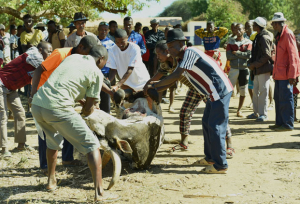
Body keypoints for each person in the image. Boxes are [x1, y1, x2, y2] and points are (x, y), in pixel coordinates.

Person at [31, 45, 119, 202]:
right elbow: (88, 110)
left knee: (52, 142)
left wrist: (81, 101)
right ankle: (99, 193)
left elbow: (64, 82)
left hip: (38, 104)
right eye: (105, 62)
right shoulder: (96, 73)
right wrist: (87, 108)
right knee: (92, 145)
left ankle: (51, 181)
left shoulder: (71, 58)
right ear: (101, 59)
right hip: (57, 107)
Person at [147, 28, 233, 173]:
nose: (171, 50)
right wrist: (155, 87)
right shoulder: (180, 58)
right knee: (207, 123)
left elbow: (177, 75)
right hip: (211, 93)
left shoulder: (190, 52)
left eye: (173, 46)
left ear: (182, 43)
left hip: (219, 90)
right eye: (169, 47)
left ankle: (220, 165)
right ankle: (210, 158)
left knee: (216, 126)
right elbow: (172, 78)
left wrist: (155, 85)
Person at [30, 36, 110, 173]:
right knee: (49, 135)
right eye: (90, 52)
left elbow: (68, 82)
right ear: (81, 48)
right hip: (45, 94)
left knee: (65, 129)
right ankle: (45, 166)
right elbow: (39, 71)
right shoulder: (61, 54)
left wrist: (80, 100)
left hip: (56, 98)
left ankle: (65, 161)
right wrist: (32, 94)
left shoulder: (76, 59)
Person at [0, 42, 52, 158]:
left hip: (11, 88)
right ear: (40, 50)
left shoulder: (38, 60)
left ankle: (21, 144)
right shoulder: (34, 55)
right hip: (1, 84)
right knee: (3, 116)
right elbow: (46, 70)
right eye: (48, 51)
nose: (50, 53)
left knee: (20, 113)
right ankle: (4, 148)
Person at [269, 12, 300, 131]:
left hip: (286, 75)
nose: (273, 25)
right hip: (279, 74)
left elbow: (294, 56)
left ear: (280, 23)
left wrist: (293, 75)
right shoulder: (279, 35)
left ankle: (287, 124)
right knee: (278, 98)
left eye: (274, 23)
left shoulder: (287, 34)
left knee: (286, 99)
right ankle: (280, 122)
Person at [247, 17, 273, 122]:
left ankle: (263, 114)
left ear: (257, 26)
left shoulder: (264, 37)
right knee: (256, 91)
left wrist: (255, 65)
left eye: (254, 24)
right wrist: (251, 63)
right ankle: (256, 112)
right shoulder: (258, 36)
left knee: (263, 92)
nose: (252, 26)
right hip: (257, 69)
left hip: (263, 69)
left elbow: (267, 55)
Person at [226, 23, 252, 117]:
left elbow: (248, 55)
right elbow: (228, 56)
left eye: (240, 29)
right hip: (233, 69)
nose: (238, 31)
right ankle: (225, 109)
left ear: (244, 30)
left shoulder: (248, 42)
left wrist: (236, 53)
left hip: (244, 69)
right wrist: (241, 54)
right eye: (236, 29)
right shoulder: (231, 42)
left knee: (243, 91)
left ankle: (239, 110)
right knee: (228, 90)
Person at [97, 21, 115, 113]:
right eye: (101, 29)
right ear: (98, 29)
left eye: (105, 30)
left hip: (106, 74)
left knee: (105, 99)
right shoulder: (94, 41)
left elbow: (113, 62)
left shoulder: (111, 44)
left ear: (107, 31)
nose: (103, 31)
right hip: (95, 73)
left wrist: (110, 78)